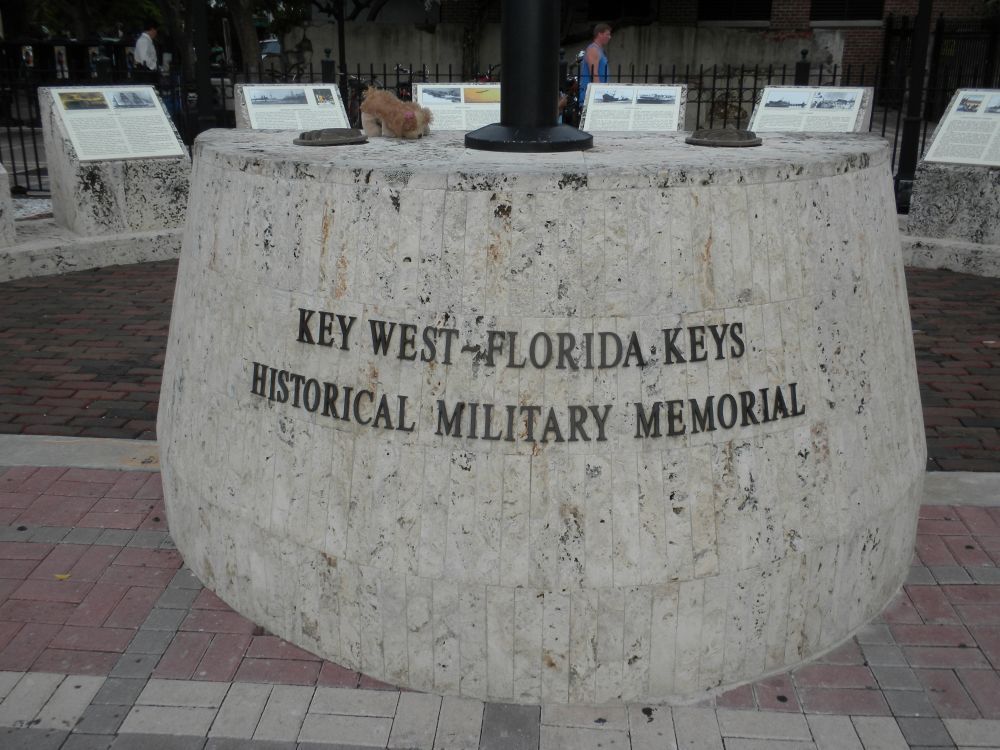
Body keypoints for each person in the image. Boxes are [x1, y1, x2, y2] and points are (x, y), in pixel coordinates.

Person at [578, 22, 611, 108]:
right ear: (600, 34)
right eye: (607, 34)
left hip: (597, 95)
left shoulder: (599, 50)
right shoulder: (593, 49)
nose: (609, 37)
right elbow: (594, 74)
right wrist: (600, 94)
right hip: (591, 96)